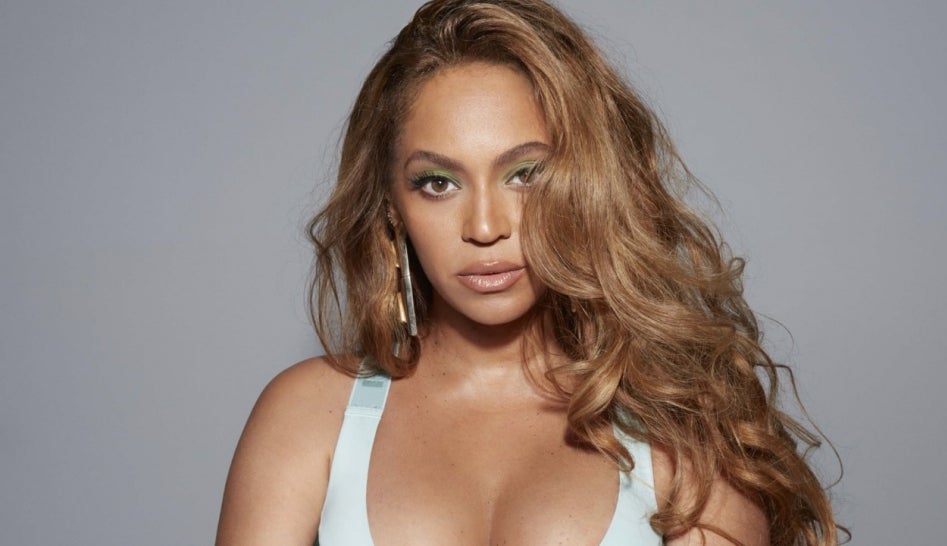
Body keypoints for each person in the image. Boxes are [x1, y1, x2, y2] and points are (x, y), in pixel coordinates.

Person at [216, 1, 844, 544]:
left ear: (587, 185)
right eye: (438, 182)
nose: (485, 226)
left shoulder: (683, 434)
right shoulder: (309, 415)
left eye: (525, 174)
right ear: (391, 207)